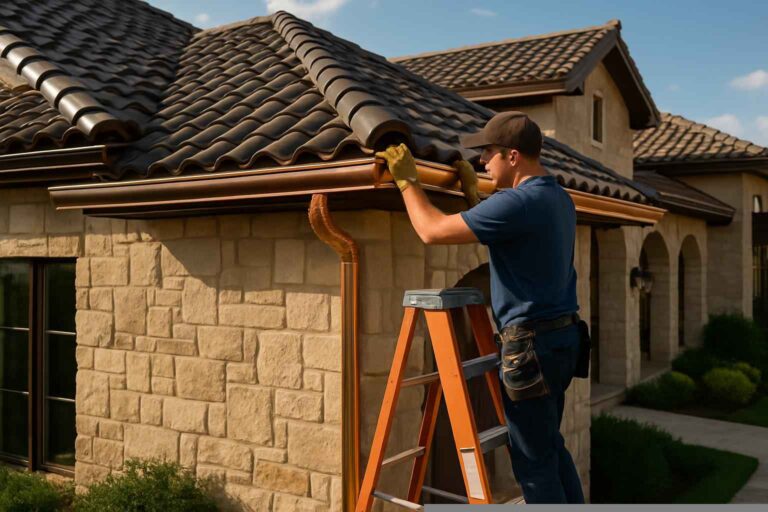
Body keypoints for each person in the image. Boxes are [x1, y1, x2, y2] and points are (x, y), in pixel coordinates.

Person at [375, 111, 585, 504]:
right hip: (563, 340)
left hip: (532, 349)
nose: (482, 162)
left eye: (488, 154)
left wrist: (408, 180)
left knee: (534, 467)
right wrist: (476, 200)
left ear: (512, 156)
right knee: (550, 448)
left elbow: (431, 231)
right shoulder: (557, 197)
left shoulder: (517, 204)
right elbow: (509, 234)